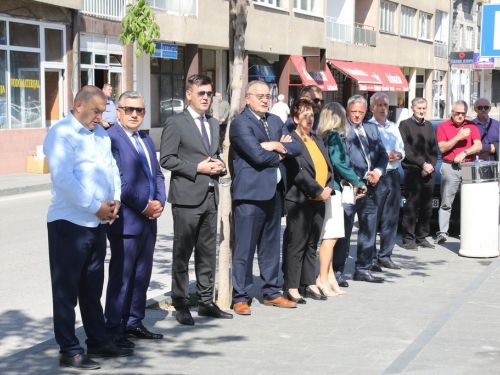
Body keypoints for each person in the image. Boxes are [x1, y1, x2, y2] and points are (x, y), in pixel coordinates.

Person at [43, 86, 133, 370]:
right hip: (69, 224)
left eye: (103, 110)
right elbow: (64, 180)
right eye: (96, 110)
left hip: (97, 223)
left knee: (92, 288)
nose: (100, 116)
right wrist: (96, 205)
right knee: (66, 292)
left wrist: (115, 200)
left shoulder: (101, 134)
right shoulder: (61, 134)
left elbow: (111, 170)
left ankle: (98, 340)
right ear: (78, 105)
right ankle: (69, 349)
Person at [160, 74, 233, 325]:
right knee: (182, 254)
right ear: (188, 94)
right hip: (186, 198)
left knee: (206, 254)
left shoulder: (213, 123)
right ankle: (180, 304)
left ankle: (205, 301)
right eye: (200, 93)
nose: (205, 97)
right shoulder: (175, 123)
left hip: (210, 196)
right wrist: (197, 168)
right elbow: (166, 159)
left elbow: (213, 155)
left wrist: (220, 166)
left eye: (209, 93)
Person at [230, 80, 300, 315]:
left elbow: (297, 147)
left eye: (267, 96)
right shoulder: (240, 123)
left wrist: (275, 146)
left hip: (274, 193)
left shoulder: (276, 120)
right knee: (245, 249)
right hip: (250, 195)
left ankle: (271, 292)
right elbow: (257, 156)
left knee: (270, 248)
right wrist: (280, 150)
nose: (264, 99)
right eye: (258, 95)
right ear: (247, 98)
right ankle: (240, 296)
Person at [105, 91, 166, 348]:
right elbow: (119, 180)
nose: (133, 114)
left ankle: (133, 321)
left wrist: (160, 201)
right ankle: (113, 328)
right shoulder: (112, 139)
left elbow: (158, 174)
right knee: (122, 276)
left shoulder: (146, 139)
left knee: (142, 274)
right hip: (127, 220)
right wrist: (144, 206)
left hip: (149, 220)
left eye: (139, 110)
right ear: (118, 111)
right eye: (128, 109)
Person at [333, 95, 388, 285]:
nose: (357, 116)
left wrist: (378, 172)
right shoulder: (341, 130)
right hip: (351, 187)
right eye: (353, 112)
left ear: (366, 112)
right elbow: (342, 161)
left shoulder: (372, 128)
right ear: (347, 111)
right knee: (345, 230)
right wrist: (356, 181)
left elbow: (382, 154)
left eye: (361, 112)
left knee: (369, 229)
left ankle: (363, 268)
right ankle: (338, 271)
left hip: (372, 186)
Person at [282, 99, 334, 303]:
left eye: (312, 115)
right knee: (297, 244)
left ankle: (309, 283)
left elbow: (327, 166)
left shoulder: (316, 139)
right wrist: (317, 190)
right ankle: (292, 286)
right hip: (300, 200)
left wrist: (328, 186)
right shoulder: (291, 140)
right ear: (295, 118)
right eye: (305, 115)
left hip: (320, 198)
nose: (310, 119)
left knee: (312, 243)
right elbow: (297, 172)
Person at [316, 102, 366, 296]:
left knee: (332, 236)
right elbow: (338, 162)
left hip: (330, 187)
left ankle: (329, 277)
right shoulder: (334, 136)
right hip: (334, 189)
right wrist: (356, 180)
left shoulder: (324, 135)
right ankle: (323, 278)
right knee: (331, 237)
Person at [435, 100, 482, 244]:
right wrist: (458, 137)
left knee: (471, 201)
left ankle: (471, 231)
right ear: (452, 112)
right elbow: (442, 148)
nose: (460, 116)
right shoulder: (443, 126)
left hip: (468, 167)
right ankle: (443, 232)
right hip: (450, 167)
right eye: (457, 113)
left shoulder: (472, 125)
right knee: (446, 202)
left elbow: (478, 145)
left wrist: (465, 152)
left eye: (463, 113)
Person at [367, 93, 405, 270]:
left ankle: (385, 255)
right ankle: (371, 257)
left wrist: (398, 155)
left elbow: (402, 150)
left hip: (394, 175)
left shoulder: (393, 127)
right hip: (378, 177)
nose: (383, 108)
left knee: (391, 217)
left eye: (385, 105)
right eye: (379, 105)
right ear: (371, 108)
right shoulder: (368, 127)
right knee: (374, 218)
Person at [399, 98, 438, 250]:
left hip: (429, 171)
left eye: (424, 108)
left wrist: (430, 165)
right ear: (412, 108)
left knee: (427, 206)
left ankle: (422, 237)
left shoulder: (428, 125)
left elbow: (433, 149)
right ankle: (408, 239)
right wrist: (423, 164)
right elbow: (407, 150)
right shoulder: (405, 125)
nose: (422, 111)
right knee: (411, 206)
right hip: (413, 171)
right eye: (419, 108)